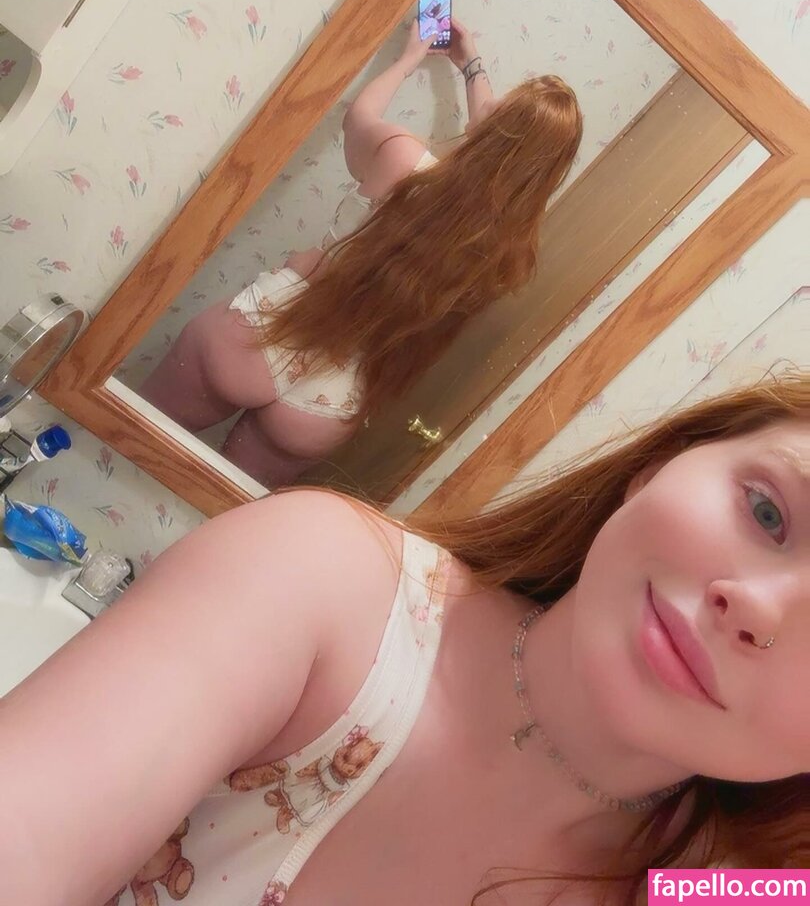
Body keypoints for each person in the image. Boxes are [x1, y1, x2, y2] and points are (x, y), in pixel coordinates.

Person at [1, 371, 807, 906]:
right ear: (660, 466)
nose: (758, 609)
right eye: (768, 512)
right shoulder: (325, 576)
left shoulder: (730, 889)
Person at [139, 17, 583, 485]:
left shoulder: (402, 158)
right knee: (214, 505)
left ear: (495, 125)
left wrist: (410, 58)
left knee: (129, 439)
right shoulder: (509, 260)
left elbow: (359, 117)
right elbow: (499, 146)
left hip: (274, 326)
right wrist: (470, 64)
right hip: (329, 402)